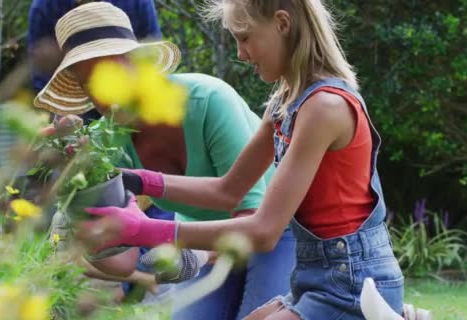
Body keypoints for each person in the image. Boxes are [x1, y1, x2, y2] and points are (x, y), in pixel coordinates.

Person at [76, 0, 405, 319]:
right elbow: (227, 190)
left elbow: (264, 231)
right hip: (313, 277)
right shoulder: (283, 103)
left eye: (244, 38)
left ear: (282, 24)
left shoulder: (325, 108)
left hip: (353, 284)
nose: (240, 53)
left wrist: (147, 230)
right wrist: (136, 179)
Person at [33, 3, 296, 319]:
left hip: (277, 232)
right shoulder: (110, 144)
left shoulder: (209, 102)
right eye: (93, 86)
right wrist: (81, 196)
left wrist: (194, 254)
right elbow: (123, 262)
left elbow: (252, 217)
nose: (106, 97)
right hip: (206, 242)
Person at [27, 0, 162, 123]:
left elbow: (150, 57)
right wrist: (62, 112)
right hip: (76, 106)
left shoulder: (138, 3)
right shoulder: (45, 6)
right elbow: (41, 71)